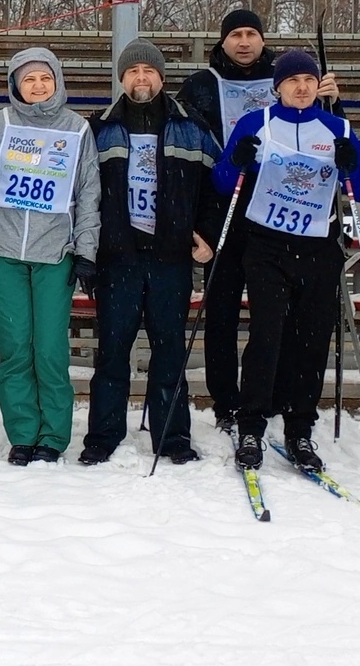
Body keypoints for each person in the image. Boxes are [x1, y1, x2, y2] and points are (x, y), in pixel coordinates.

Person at [177, 8, 342, 437]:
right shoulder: (200, 85)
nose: (245, 42)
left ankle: (275, 395)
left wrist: (332, 101)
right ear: (223, 40)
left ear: (263, 39)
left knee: (277, 315)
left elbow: (325, 135)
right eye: (236, 35)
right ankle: (226, 399)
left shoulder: (291, 78)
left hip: (281, 209)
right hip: (225, 204)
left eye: (252, 33)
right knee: (223, 309)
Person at [211, 49, 360, 475]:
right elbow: (223, 181)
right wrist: (237, 159)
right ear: (277, 86)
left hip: (318, 246)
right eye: (292, 81)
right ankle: (251, 424)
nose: (301, 88)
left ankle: (300, 427)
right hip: (267, 245)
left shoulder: (336, 126)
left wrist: (351, 165)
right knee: (267, 335)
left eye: (308, 80)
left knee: (312, 339)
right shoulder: (257, 124)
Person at [81, 38, 225, 467]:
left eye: (149, 71)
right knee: (112, 350)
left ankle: (172, 436)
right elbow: (83, 194)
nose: (141, 78)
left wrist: (207, 234)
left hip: (170, 258)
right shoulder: (99, 129)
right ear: (121, 78)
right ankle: (103, 436)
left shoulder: (192, 127)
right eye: (132, 71)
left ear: (162, 77)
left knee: (169, 349)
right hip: (119, 257)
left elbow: (217, 191)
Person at [0, 47, 102, 465]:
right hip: (1, 250)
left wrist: (86, 250)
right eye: (29, 79)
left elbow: (88, 193)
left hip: (54, 251)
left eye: (45, 78)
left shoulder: (78, 129)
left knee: (49, 350)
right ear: (16, 86)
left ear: (57, 80)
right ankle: (22, 433)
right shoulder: (0, 123)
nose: (38, 85)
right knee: (15, 347)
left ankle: (53, 436)